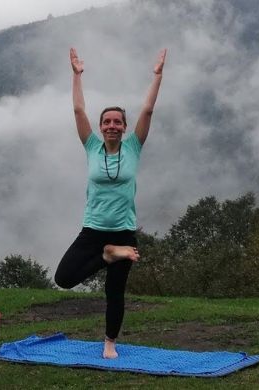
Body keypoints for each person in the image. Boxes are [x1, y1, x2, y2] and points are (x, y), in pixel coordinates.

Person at [54, 47, 166, 359]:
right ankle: (107, 255)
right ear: (101, 127)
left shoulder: (134, 147)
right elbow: (78, 112)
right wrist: (76, 76)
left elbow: (147, 111)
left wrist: (157, 77)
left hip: (123, 233)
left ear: (124, 128)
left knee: (114, 293)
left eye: (118, 122)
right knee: (63, 278)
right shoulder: (91, 146)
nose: (112, 125)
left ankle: (109, 343)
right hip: (92, 230)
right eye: (107, 122)